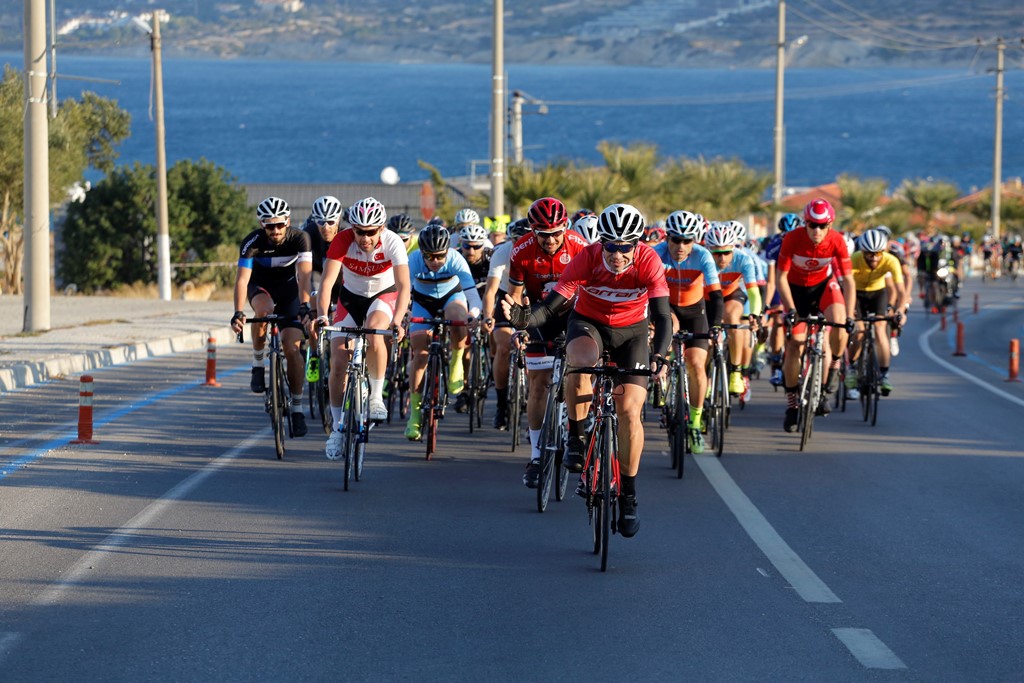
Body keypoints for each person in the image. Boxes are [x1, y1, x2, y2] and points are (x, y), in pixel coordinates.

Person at [503, 203, 672, 538]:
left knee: (629, 411)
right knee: (579, 360)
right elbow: (551, 307)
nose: (618, 254)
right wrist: (524, 319)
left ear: (637, 245)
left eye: (626, 247)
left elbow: (663, 316)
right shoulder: (587, 258)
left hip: (632, 333)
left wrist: (661, 356)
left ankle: (629, 496)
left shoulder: (649, 261)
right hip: (588, 324)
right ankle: (577, 438)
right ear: (602, 243)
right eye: (611, 245)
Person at [315, 197, 411, 460]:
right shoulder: (342, 240)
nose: (365, 238)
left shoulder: (392, 242)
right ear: (352, 228)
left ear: (381, 228)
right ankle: (336, 428)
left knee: (373, 328)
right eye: (359, 232)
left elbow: (403, 285)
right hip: (350, 299)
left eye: (371, 232)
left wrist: (398, 320)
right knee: (337, 359)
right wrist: (323, 315)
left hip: (384, 295)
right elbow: (327, 283)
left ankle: (376, 396)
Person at [506, 197, 588, 489]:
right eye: (544, 234)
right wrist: (519, 327)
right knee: (538, 384)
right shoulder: (521, 251)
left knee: (579, 374)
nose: (551, 239)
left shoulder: (580, 247)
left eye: (556, 233)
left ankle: (579, 432)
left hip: (576, 316)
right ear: (533, 231)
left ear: (565, 228)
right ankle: (537, 455)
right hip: (539, 317)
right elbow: (515, 295)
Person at [231, 196, 313, 437]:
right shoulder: (252, 242)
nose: (275, 230)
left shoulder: (300, 238)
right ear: (261, 225)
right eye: (269, 225)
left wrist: (306, 305)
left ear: (287, 222)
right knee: (264, 312)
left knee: (292, 349)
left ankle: (297, 408)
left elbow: (305, 276)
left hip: (289, 291)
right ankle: (258, 363)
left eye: (279, 224)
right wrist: (237, 312)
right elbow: (242, 280)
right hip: (260, 287)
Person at [775, 198, 855, 432]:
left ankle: (835, 366)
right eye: (812, 225)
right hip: (796, 292)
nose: (817, 230)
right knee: (794, 346)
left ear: (830, 225)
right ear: (805, 223)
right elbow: (780, 277)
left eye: (822, 226)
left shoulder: (837, 240)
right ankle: (792, 405)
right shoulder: (792, 238)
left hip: (823, 287)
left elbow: (848, 280)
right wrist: (790, 310)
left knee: (839, 320)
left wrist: (850, 315)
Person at [404, 225, 483, 439]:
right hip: (422, 301)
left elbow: (473, 297)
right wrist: (403, 313)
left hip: (451, 297)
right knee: (420, 355)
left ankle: (457, 357)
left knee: (458, 318)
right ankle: (415, 415)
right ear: (422, 253)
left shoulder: (456, 259)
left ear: (447, 252)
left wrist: (473, 314)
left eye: (440, 256)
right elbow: (401, 293)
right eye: (430, 256)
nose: (435, 261)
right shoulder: (413, 260)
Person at [654, 209, 722, 454]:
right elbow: (645, 291)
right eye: (675, 240)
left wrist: (715, 326)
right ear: (667, 238)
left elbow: (715, 295)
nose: (680, 246)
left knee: (695, 364)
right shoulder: (657, 255)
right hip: (667, 307)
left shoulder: (703, 256)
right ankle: (664, 377)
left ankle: (694, 422)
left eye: (687, 241)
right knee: (668, 328)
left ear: (695, 241)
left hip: (695, 311)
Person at [481, 218, 532, 430]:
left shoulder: (539, 252)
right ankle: (502, 404)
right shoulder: (502, 252)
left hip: (532, 296)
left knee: (532, 350)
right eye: (516, 240)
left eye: (525, 239)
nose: (520, 244)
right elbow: (491, 291)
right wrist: (487, 316)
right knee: (502, 347)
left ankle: (533, 397)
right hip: (506, 295)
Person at [845, 228, 908, 398]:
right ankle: (851, 368)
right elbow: (847, 286)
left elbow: (901, 291)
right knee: (858, 332)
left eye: (877, 254)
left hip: (878, 293)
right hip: (856, 294)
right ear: (863, 251)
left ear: (884, 251)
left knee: (881, 330)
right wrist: (850, 311)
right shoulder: (854, 259)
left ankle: (884, 374)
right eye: (869, 254)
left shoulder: (891, 261)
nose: (874, 258)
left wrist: (900, 310)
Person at [705, 222, 762, 397]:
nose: (722, 259)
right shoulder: (701, 257)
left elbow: (753, 291)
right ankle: (703, 375)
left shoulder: (743, 259)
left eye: (726, 253)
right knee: (705, 337)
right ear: (708, 250)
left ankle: (736, 372)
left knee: (732, 316)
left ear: (734, 248)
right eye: (716, 253)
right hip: (706, 296)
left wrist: (755, 314)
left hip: (732, 294)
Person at [453, 223, 493, 413]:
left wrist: (489, 314)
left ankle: (493, 365)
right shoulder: (456, 258)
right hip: (465, 303)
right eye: (467, 245)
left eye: (476, 246)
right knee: (466, 342)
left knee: (495, 332)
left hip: (487, 301)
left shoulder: (491, 258)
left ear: (483, 246)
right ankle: (466, 386)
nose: (471, 250)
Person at [763, 213, 802, 387]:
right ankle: (777, 362)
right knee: (778, 318)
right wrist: (766, 305)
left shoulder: (804, 243)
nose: (789, 238)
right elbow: (771, 282)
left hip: (800, 285)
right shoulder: (774, 246)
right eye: (785, 234)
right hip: (781, 283)